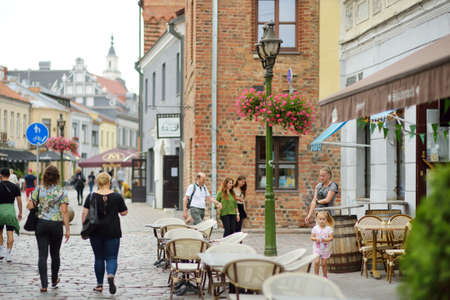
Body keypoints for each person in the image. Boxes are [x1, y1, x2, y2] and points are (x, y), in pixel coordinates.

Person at [82, 172, 128, 295]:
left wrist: (84, 229)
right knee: (112, 257)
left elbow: (84, 213)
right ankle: (111, 275)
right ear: (109, 182)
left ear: (97, 182)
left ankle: (99, 285)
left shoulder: (91, 196)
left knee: (99, 258)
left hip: (95, 231)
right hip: (113, 231)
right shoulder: (117, 196)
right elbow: (124, 212)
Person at [27, 165, 70, 292]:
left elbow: (29, 206)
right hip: (56, 225)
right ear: (57, 177)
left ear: (44, 177)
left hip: (41, 224)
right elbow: (65, 211)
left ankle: (44, 284)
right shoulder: (62, 192)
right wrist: (67, 229)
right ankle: (54, 280)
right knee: (55, 254)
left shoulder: (38, 190)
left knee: (42, 255)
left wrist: (37, 204)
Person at [0, 168, 22, 262]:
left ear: (1, 175)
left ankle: (0, 251)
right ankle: (8, 254)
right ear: (9, 175)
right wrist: (20, 212)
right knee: (10, 233)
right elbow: (19, 201)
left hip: (0, 211)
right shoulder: (15, 187)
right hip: (10, 211)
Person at [310, 211, 334, 278]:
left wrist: (325, 240)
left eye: (323, 219)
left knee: (324, 264)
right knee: (316, 262)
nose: (321, 221)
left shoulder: (328, 229)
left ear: (326, 220)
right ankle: (316, 276)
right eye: (320, 219)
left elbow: (331, 238)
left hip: (325, 250)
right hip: (317, 249)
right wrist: (316, 239)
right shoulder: (315, 228)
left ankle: (325, 276)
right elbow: (311, 237)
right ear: (317, 220)